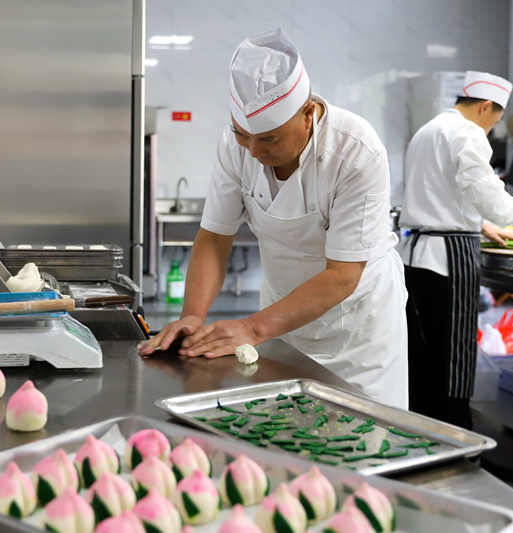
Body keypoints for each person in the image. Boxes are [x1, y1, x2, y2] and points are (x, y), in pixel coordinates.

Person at [140, 27, 408, 409]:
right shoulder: (236, 146)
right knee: (285, 422)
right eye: (242, 135)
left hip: (357, 326)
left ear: (308, 114)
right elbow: (214, 237)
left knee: (362, 426)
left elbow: (343, 275)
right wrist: (193, 316)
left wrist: (252, 327)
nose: (252, 151)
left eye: (268, 139)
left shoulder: (356, 151)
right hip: (282, 315)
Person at [397, 71, 513, 429]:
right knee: (453, 359)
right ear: (486, 106)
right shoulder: (467, 132)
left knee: (422, 355)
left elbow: (441, 192)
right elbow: (484, 189)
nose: (493, 126)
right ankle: (460, 441)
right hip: (448, 259)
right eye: (496, 118)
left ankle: (422, 436)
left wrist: (481, 223)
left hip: (416, 258)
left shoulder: (427, 131)